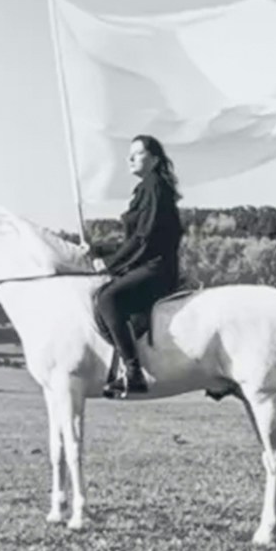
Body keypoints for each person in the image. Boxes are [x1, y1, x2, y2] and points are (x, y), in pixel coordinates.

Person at [87, 135, 185, 397]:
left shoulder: (154, 187)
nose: (130, 158)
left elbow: (144, 238)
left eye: (138, 153)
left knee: (107, 298)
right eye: (130, 153)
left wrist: (109, 264)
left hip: (157, 269)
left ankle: (133, 372)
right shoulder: (147, 188)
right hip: (149, 265)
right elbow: (133, 239)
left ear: (154, 159)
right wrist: (98, 250)